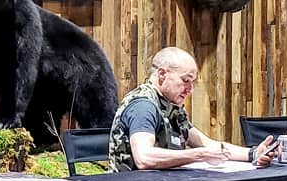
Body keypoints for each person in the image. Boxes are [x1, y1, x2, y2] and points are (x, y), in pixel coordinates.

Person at [109, 46, 277, 172]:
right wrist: (199, 155)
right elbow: (145, 158)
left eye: (192, 82)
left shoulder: (171, 107)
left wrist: (253, 154)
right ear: (162, 74)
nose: (190, 89)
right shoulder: (143, 106)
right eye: (185, 80)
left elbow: (207, 145)